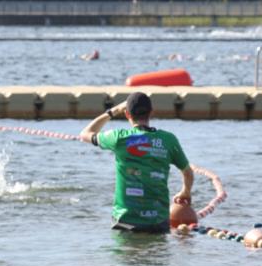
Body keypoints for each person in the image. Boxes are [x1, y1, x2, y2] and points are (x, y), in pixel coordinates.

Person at [79, 92, 193, 233]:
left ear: (127, 114)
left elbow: (85, 134)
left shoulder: (118, 138)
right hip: (158, 222)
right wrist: (185, 192)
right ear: (151, 112)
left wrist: (113, 111)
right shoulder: (168, 140)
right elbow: (187, 173)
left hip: (125, 221)